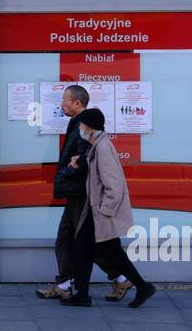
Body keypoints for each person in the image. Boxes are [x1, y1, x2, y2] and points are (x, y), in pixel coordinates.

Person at [36, 85, 129, 301]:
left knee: (84, 241)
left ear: (77, 103)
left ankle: (121, 278)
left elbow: (87, 158)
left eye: (65, 100)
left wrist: (68, 171)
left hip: (82, 193)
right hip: (76, 192)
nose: (62, 104)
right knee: (67, 238)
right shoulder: (76, 123)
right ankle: (65, 283)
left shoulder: (84, 125)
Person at [61, 107, 156, 309]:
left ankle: (142, 286)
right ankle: (83, 294)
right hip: (95, 211)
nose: (82, 130)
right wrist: (81, 161)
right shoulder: (95, 146)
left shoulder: (103, 148)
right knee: (84, 250)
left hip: (101, 213)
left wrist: (105, 211)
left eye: (84, 126)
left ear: (92, 127)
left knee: (111, 253)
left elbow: (114, 184)